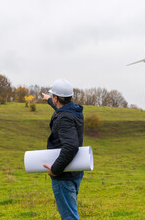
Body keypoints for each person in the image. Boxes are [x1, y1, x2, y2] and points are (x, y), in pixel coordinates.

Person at [42, 78, 84, 220]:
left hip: (64, 175)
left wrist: (55, 169)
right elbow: (61, 109)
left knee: (69, 217)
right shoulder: (74, 111)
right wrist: (49, 99)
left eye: (53, 97)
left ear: (56, 98)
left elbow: (71, 147)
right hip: (75, 171)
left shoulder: (64, 118)